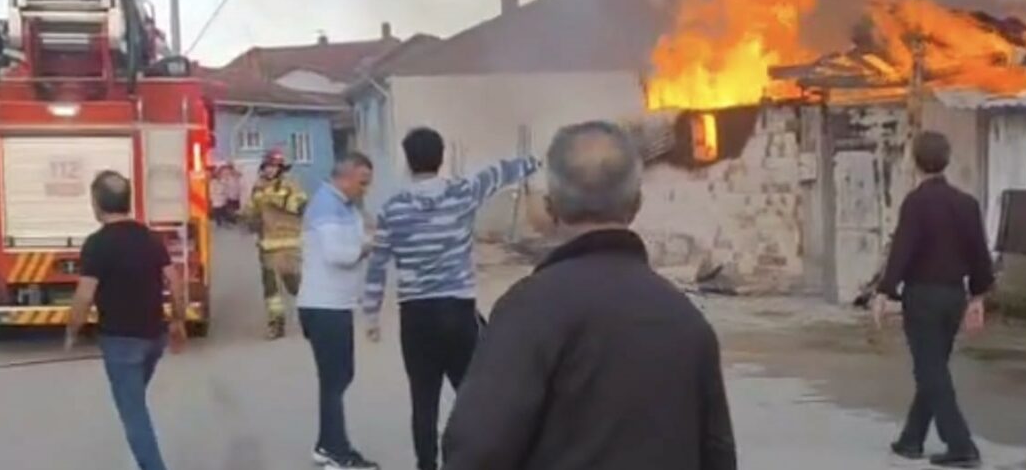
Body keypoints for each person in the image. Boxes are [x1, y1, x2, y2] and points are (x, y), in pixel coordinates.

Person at [441, 121, 737, 470]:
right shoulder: (686, 321)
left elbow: (476, 449)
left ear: (551, 207)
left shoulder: (528, 311)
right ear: (636, 204)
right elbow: (718, 455)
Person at [362, 127, 540, 470]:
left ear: (408, 162)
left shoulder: (393, 209)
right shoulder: (462, 194)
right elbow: (501, 172)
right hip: (457, 311)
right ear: (442, 158)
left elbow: (378, 264)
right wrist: (537, 161)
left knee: (423, 400)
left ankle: (427, 465)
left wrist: (371, 314)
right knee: (472, 396)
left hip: (415, 316)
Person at [873, 131, 994, 469]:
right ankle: (911, 440)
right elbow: (979, 254)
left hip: (923, 297)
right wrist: (978, 297)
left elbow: (903, 249)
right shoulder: (966, 204)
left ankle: (961, 445)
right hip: (954, 296)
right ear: (947, 160)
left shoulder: (916, 203)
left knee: (930, 371)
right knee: (934, 368)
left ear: (915, 161)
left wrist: (884, 290)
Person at [66, 170, 186, 470]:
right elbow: (176, 282)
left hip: (121, 342)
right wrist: (178, 322)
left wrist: (72, 332)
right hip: (154, 339)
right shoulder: (150, 238)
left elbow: (84, 296)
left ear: (97, 203)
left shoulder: (96, 244)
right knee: (133, 398)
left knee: (133, 414)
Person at [297, 152, 379, 470]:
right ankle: (336, 451)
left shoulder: (345, 206)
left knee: (339, 376)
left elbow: (361, 233)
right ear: (344, 177)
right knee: (335, 380)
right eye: (362, 182)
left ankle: (326, 444)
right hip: (324, 306)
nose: (365, 189)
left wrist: (366, 232)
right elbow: (337, 254)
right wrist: (366, 247)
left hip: (336, 305)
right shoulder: (326, 206)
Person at [242, 149, 308, 339]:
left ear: (281, 168)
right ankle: (276, 325)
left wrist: (276, 202)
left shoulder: (291, 185)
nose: (270, 170)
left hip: (289, 247)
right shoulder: (259, 187)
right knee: (271, 291)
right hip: (267, 247)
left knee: (294, 286)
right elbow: (252, 210)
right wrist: (247, 218)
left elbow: (301, 205)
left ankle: (313, 313)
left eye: (274, 166)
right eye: (268, 166)